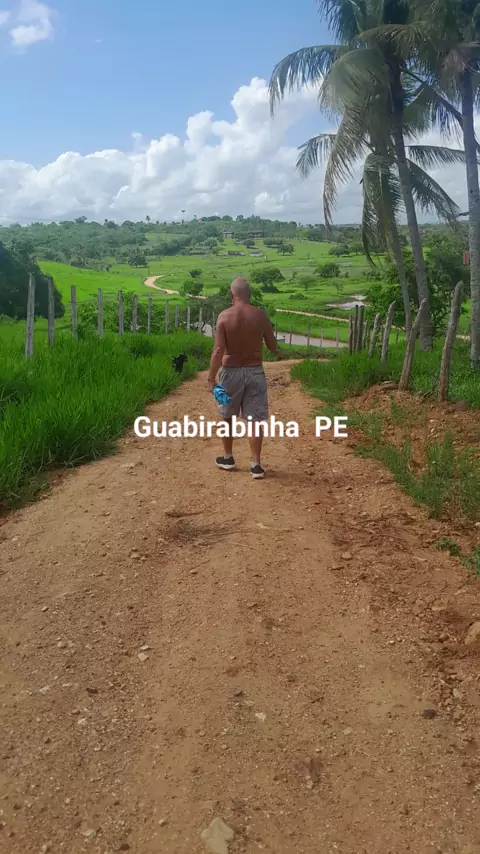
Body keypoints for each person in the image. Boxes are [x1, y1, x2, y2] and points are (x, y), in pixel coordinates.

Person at [207, 277, 279, 479]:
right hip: (255, 371)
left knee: (227, 416)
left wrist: (211, 378)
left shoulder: (224, 316)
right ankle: (256, 465)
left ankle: (228, 458)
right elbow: (272, 346)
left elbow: (218, 350)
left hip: (229, 373)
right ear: (250, 294)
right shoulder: (260, 315)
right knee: (254, 420)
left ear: (232, 294)